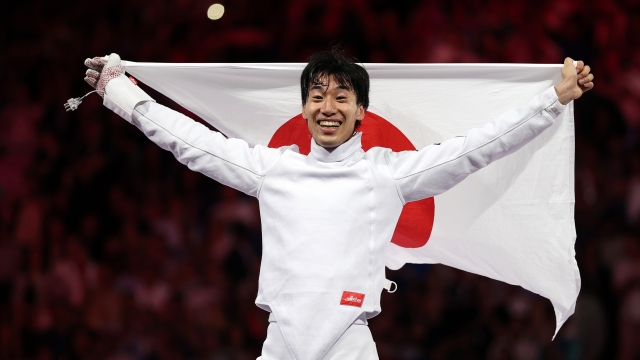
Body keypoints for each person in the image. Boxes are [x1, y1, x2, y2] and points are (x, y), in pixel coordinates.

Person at [81, 50, 593, 359]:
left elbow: (478, 147)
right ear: (303, 109)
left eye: (341, 97)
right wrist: (120, 92)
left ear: (361, 112)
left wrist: (553, 98)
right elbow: (187, 140)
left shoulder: (387, 174)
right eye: (318, 97)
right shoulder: (271, 169)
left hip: (350, 345)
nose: (329, 108)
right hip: (279, 344)